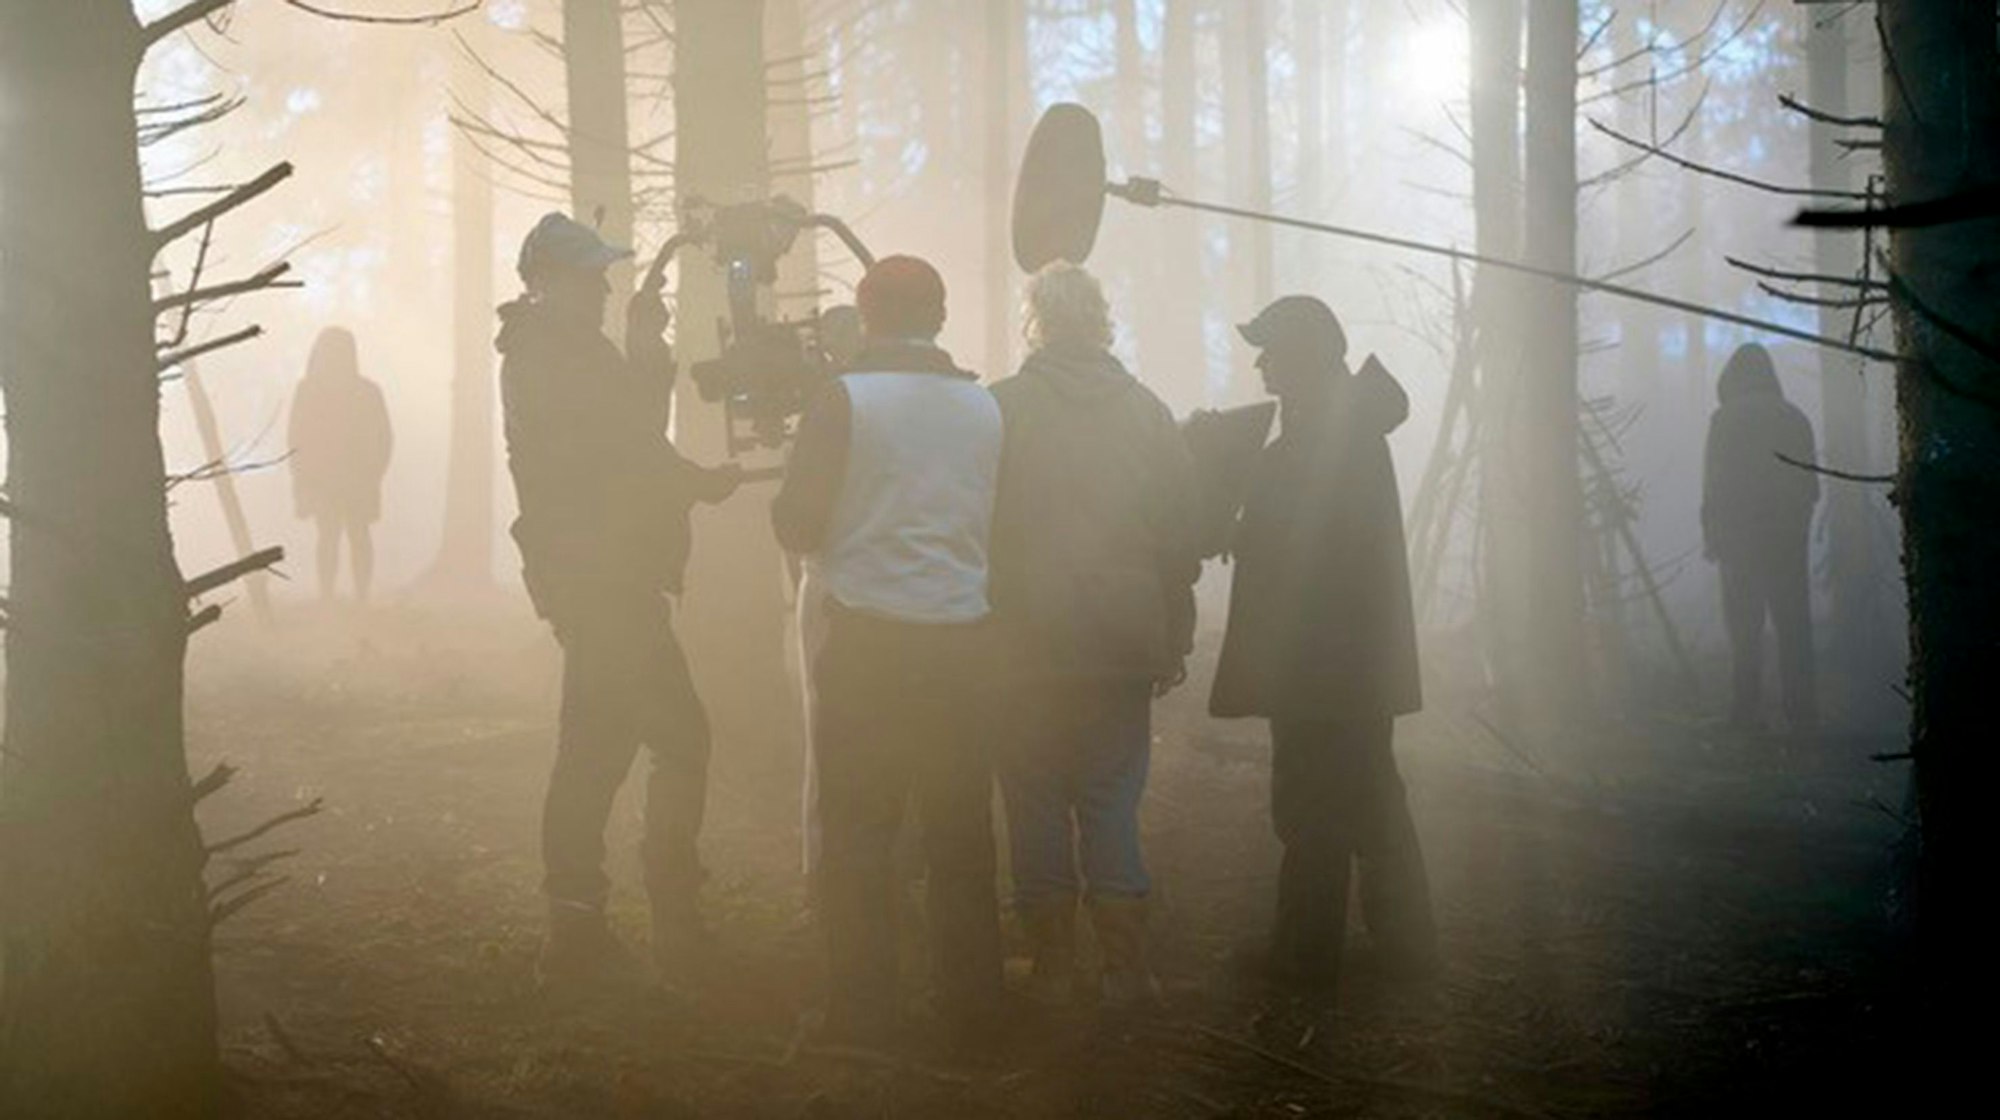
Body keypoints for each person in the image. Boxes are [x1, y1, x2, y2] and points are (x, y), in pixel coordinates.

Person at [497, 212, 740, 991]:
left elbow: (627, 440)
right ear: (549, 281)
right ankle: (631, 926)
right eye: (590, 275)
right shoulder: (551, 358)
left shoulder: (559, 351)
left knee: (613, 747)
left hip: (602, 576)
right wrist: (692, 477)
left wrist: (641, 357)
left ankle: (602, 925)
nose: (603, 286)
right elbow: (621, 450)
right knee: (633, 747)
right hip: (599, 580)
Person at [771, 256, 1006, 1049]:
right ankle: (974, 1013)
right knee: (962, 837)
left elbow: (796, 526)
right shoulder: (984, 407)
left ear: (867, 317)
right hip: (964, 644)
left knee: (860, 836)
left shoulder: (842, 401)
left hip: (868, 642)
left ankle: (863, 1013)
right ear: (938, 317)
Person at [1210, 295, 1436, 1000]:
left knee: (1311, 803)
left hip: (1321, 662)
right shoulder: (1340, 428)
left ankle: (1305, 960)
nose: (1259, 362)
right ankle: (1407, 947)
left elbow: (1301, 545)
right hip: (1353, 661)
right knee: (1371, 796)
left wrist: (1236, 521)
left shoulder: (1323, 439)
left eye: (1270, 349)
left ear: (1303, 357)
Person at [986, 262, 1199, 1009]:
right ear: (1102, 319)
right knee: (1111, 799)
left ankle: (1050, 971)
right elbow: (1183, 536)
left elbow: (971, 524)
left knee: (1035, 798)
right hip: (1118, 640)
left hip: (1023, 642)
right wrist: (1174, 630)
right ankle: (1126, 972)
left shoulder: (1000, 409)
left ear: (1036, 321)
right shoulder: (1146, 413)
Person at [1702, 342, 1819, 733]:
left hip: (1740, 539)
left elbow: (1715, 483)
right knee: (1793, 624)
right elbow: (1811, 486)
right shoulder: (1795, 417)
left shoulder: (1724, 419)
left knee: (1744, 627)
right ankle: (1801, 712)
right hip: (1787, 536)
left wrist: (1713, 535)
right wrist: (1797, 524)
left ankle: (1746, 710)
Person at [288, 326, 392, 602]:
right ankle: (330, 596)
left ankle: (357, 596)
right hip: (326, 480)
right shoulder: (310, 390)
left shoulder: (366, 392)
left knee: (354, 537)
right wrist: (303, 477)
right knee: (331, 538)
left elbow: (383, 438)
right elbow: (297, 437)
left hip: (356, 479)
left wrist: (373, 474)